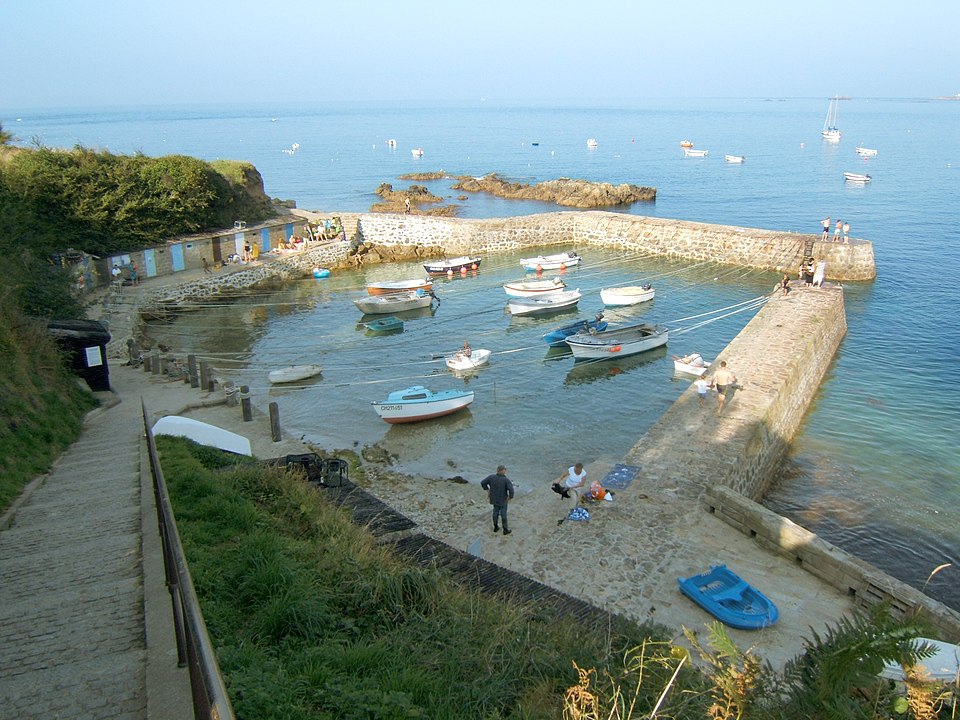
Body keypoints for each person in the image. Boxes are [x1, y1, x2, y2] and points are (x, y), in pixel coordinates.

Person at [480, 465, 514, 535]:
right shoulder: (506, 480)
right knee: (503, 514)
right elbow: (511, 490)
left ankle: (495, 527)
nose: (505, 471)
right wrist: (510, 497)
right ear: (501, 471)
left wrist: (487, 490)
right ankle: (505, 529)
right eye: (504, 470)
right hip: (503, 500)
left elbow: (483, 483)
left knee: (495, 512)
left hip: (494, 499)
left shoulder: (491, 477)